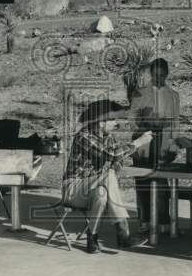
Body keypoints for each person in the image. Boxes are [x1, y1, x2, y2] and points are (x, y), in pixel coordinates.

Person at [62, 99, 153, 253]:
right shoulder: (84, 136)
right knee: (108, 176)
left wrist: (114, 166)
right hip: (73, 189)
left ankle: (92, 240)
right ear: (101, 121)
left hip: (94, 186)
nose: (115, 123)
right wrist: (137, 143)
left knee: (102, 194)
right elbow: (110, 154)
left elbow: (117, 160)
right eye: (112, 119)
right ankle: (123, 234)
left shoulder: (108, 138)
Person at [130, 58, 179, 231]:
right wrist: (146, 125)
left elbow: (175, 124)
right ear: (150, 74)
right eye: (155, 75)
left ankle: (164, 221)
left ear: (167, 74)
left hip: (163, 143)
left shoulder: (173, 96)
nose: (158, 78)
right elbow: (132, 121)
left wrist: (173, 146)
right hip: (143, 142)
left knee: (162, 182)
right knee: (143, 180)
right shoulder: (139, 93)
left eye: (162, 75)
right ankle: (144, 221)